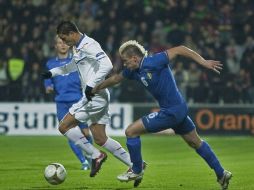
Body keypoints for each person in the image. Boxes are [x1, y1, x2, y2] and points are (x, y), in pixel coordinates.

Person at [92, 40, 232, 189]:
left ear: (134, 58)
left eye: (125, 61)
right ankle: (221, 173)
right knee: (195, 142)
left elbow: (180, 48)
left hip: (172, 111)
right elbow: (116, 79)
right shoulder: (133, 71)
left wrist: (203, 62)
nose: (124, 65)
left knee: (131, 131)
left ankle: (137, 170)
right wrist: (95, 89)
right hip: (178, 109)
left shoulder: (154, 61)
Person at [42, 21, 132, 178]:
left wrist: (90, 85)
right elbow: (72, 66)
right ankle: (135, 164)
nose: (64, 42)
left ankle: (96, 155)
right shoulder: (77, 47)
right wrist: (53, 73)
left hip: (93, 96)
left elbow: (107, 65)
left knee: (64, 127)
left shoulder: (89, 45)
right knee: (100, 138)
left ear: (72, 33)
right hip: (97, 95)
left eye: (64, 38)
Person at [44, 35, 92, 170]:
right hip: (61, 104)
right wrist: (48, 86)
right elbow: (48, 80)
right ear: (56, 46)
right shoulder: (50, 64)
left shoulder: (76, 60)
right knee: (70, 134)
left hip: (78, 101)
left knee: (86, 134)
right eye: (60, 42)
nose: (63, 45)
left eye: (65, 42)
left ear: (69, 45)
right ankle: (84, 162)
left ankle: (90, 155)